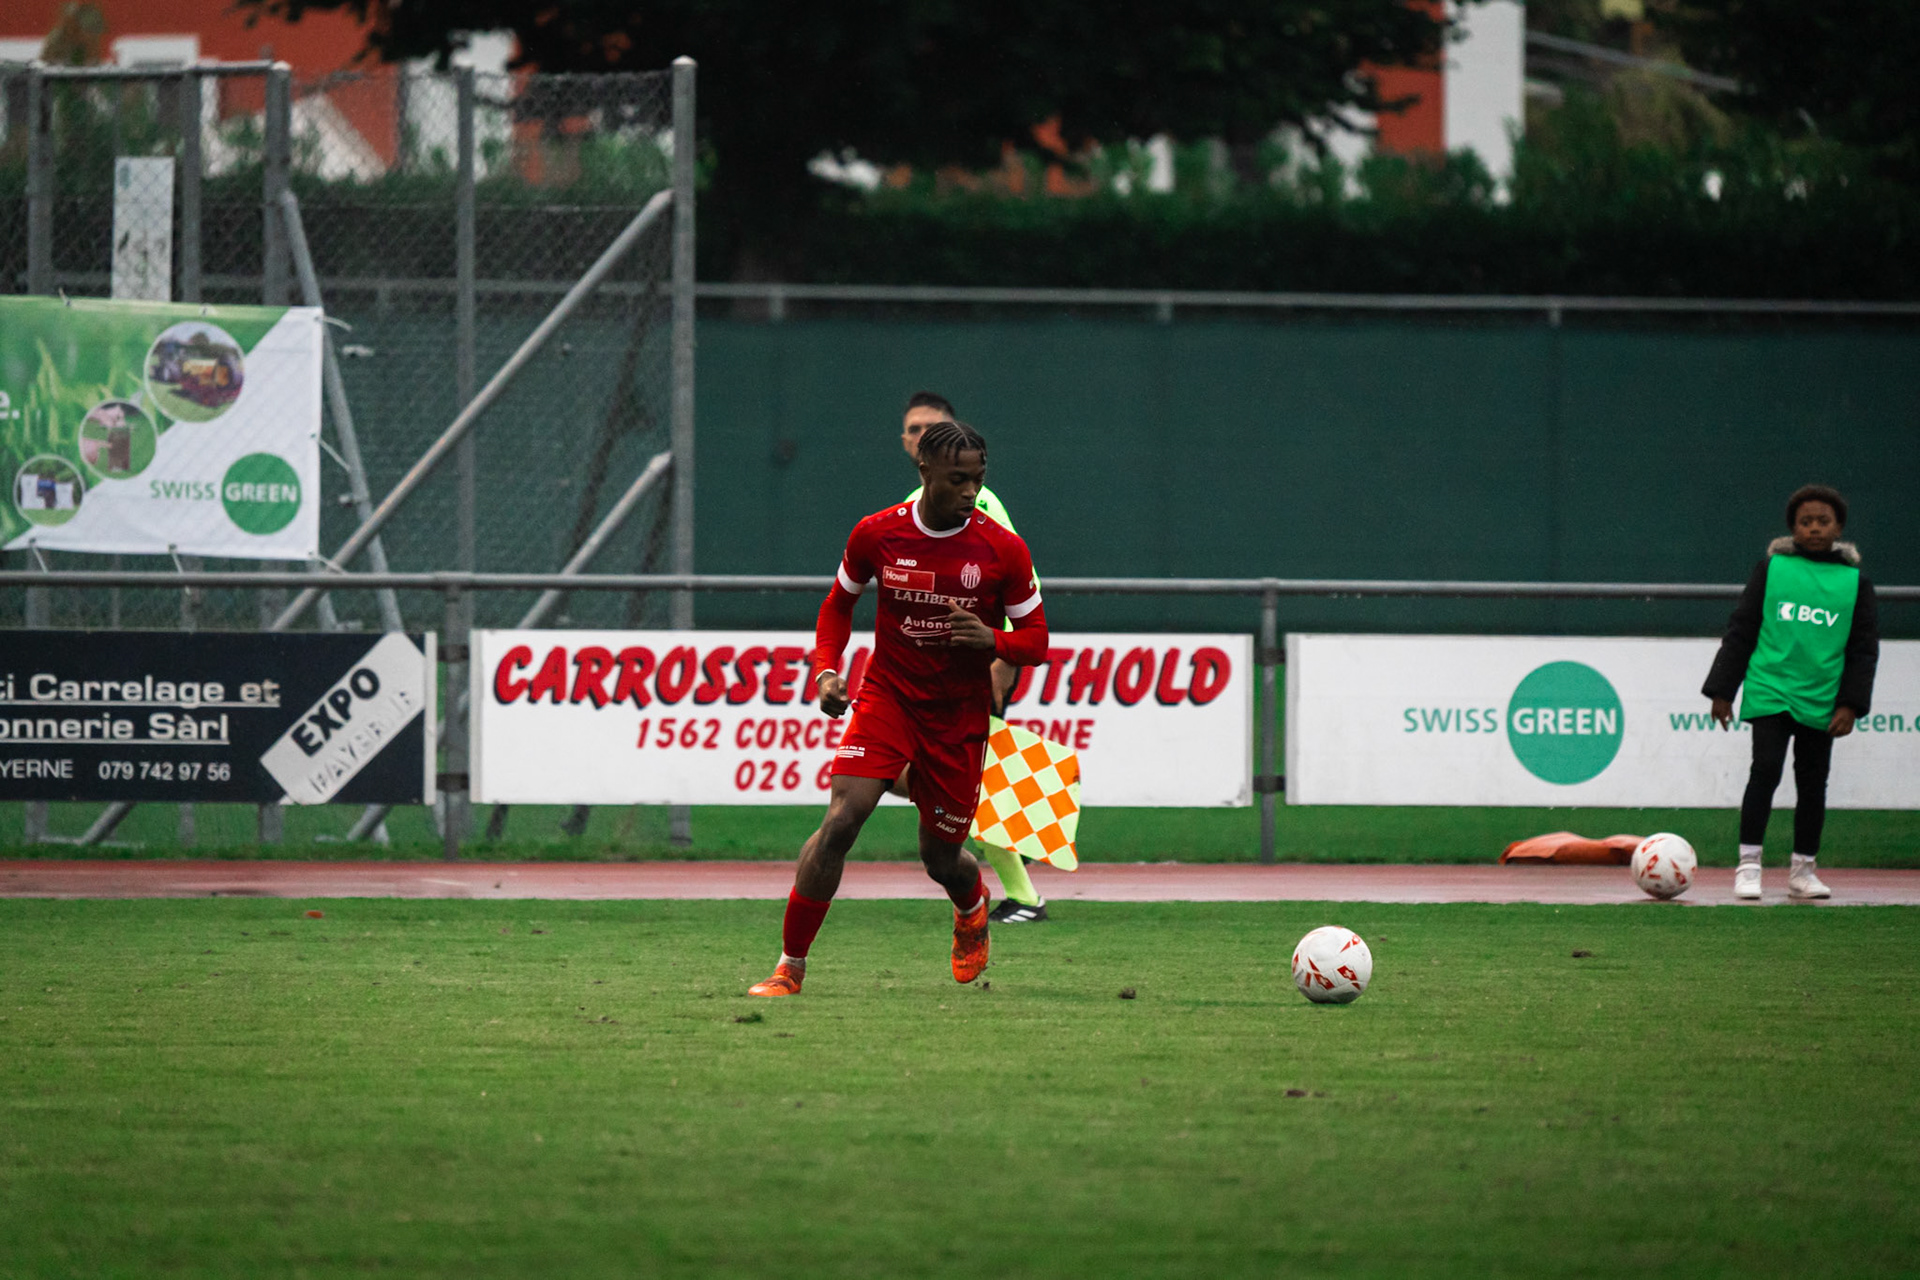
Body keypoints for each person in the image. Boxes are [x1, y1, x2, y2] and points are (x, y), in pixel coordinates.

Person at [749, 420, 1049, 996]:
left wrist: (993, 640)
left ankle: (971, 906)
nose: (971, 491)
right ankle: (790, 966)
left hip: (957, 718)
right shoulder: (878, 533)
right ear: (924, 471)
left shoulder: (1003, 549)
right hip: (888, 699)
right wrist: (827, 671)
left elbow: (1036, 640)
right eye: (958, 479)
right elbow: (837, 605)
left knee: (941, 859)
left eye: (978, 479)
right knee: (841, 821)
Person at [896, 392, 1052, 924]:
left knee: (968, 780)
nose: (921, 435)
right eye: (913, 428)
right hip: (933, 672)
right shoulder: (913, 505)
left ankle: (1024, 895)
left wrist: (1002, 661)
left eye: (932, 427)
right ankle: (1008, 842)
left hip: (979, 664)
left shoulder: (979, 503)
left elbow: (1019, 580)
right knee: (920, 773)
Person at [1703, 484, 1879, 901]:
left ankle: (1803, 870)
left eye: (1823, 521)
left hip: (1822, 696)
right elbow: (1742, 629)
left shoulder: (1855, 582)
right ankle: (1749, 866)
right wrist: (1722, 690)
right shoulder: (1772, 569)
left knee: (1813, 782)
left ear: (1839, 528)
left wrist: (1851, 704)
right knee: (1765, 770)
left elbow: (1863, 649)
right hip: (1771, 687)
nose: (1814, 528)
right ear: (1793, 528)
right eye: (1805, 522)